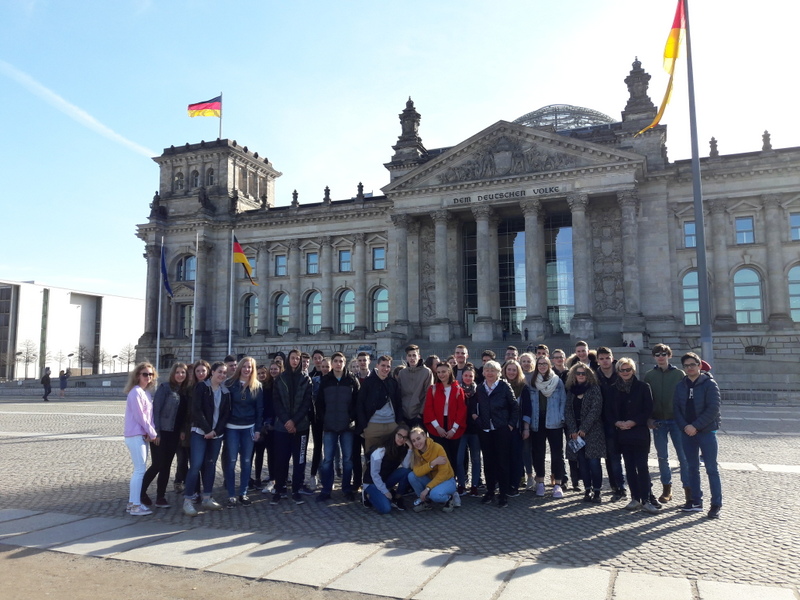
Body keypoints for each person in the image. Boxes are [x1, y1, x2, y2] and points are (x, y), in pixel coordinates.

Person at [604, 358, 658, 514]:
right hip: (622, 433)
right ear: (618, 372)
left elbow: (648, 409)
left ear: (633, 370)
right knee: (629, 467)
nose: (625, 372)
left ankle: (646, 499)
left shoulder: (643, 387)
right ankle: (635, 498)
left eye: (628, 369)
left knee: (642, 466)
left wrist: (634, 422)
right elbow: (608, 411)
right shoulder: (613, 389)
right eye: (622, 370)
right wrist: (617, 422)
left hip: (639, 431)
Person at [674, 352, 722, 519]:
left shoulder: (710, 384)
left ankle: (716, 504)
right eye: (686, 365)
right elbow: (676, 409)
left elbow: (713, 408)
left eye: (693, 364)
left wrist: (695, 426)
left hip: (706, 432)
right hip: (687, 432)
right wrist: (685, 426)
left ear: (699, 366)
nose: (690, 368)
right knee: (691, 467)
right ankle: (696, 501)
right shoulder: (680, 385)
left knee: (711, 469)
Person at [182, 362, 231, 516]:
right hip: (200, 432)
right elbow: (196, 410)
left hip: (216, 435)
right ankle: (188, 500)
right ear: (212, 372)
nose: (222, 375)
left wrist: (215, 432)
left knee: (210, 464)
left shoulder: (225, 392)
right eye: (219, 372)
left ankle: (207, 497)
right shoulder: (201, 387)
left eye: (224, 373)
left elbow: (225, 415)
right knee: (196, 465)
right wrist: (208, 430)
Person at [470, 360, 519, 508]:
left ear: (498, 373)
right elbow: (474, 407)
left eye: (493, 370)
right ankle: (490, 491)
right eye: (487, 370)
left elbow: (514, 407)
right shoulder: (480, 388)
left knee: (502, 462)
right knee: (488, 461)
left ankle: (503, 493)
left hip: (501, 429)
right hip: (485, 430)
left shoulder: (504, 387)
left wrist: (510, 424)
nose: (490, 373)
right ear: (483, 373)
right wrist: (477, 420)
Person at [643, 344, 688, 505]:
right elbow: (646, 400)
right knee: (662, 457)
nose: (660, 357)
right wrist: (648, 418)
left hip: (677, 421)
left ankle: (688, 490)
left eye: (663, 354)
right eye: (657, 354)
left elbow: (685, 398)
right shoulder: (649, 375)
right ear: (653, 357)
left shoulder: (679, 374)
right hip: (658, 422)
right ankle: (666, 489)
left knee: (683, 457)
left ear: (669, 355)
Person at [141, 362, 189, 508]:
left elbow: (183, 415)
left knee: (166, 466)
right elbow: (156, 411)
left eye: (183, 372)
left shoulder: (185, 391)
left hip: (174, 434)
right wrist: (156, 433)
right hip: (162, 432)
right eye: (178, 372)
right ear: (173, 374)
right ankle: (140, 492)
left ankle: (160, 497)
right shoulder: (165, 388)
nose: (180, 375)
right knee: (157, 464)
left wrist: (182, 431)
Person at [271, 349, 313, 506]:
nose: (295, 361)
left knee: (299, 460)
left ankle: (296, 489)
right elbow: (276, 402)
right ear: (288, 360)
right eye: (292, 358)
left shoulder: (306, 380)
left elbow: (306, 403)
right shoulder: (280, 379)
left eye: (297, 358)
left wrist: (294, 421)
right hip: (282, 426)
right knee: (281, 459)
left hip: (301, 427)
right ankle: (279, 488)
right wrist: (287, 421)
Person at [316, 352, 360, 502]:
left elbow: (357, 402)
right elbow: (319, 403)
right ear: (332, 363)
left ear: (344, 363)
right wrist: (324, 418)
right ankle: (326, 490)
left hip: (347, 426)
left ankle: (346, 489)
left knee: (347, 460)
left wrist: (351, 418)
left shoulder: (351, 380)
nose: (338, 364)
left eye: (341, 361)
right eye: (335, 361)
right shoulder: (325, 380)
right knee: (328, 460)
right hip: (329, 426)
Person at [224, 357, 263, 508]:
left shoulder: (257, 386)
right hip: (232, 427)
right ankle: (231, 495)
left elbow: (259, 409)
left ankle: (243, 493)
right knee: (231, 461)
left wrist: (258, 429)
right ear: (240, 367)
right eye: (245, 366)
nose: (247, 369)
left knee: (246, 461)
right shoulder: (229, 384)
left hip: (249, 427)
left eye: (250, 367)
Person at [422, 362, 466, 495]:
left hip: (453, 427)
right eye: (439, 372)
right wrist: (438, 427)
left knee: (452, 458)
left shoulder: (457, 389)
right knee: (441, 457)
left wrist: (454, 429)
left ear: (449, 372)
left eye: (444, 372)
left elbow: (461, 410)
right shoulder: (433, 389)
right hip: (437, 427)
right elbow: (428, 409)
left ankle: (452, 486)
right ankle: (439, 484)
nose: (441, 375)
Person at [564, 363, 605, 503]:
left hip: (593, 431)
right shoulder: (571, 391)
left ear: (588, 375)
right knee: (582, 463)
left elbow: (596, 409)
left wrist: (584, 428)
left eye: (583, 373)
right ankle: (587, 490)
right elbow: (567, 411)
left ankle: (597, 491)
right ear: (574, 375)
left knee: (594, 462)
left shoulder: (594, 389)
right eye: (578, 373)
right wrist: (573, 430)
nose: (581, 375)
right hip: (576, 432)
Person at [123, 362, 159, 516]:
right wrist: (153, 433)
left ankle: (133, 503)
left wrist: (150, 432)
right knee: (139, 470)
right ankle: (135, 505)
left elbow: (149, 417)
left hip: (141, 435)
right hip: (135, 435)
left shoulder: (145, 393)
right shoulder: (136, 392)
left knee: (139, 470)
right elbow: (140, 417)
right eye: (145, 374)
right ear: (138, 375)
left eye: (151, 374)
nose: (148, 377)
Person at [530, 356, 567, 499]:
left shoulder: (557, 381)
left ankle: (557, 484)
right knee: (538, 453)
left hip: (554, 419)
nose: (542, 366)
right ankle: (540, 482)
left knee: (557, 453)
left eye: (545, 363)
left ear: (549, 364)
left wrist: (561, 417)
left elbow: (563, 400)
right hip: (537, 420)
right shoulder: (533, 381)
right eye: (540, 364)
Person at [362, 425, 413, 513]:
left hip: (385, 479)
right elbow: (374, 474)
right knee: (386, 509)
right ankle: (368, 495)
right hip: (371, 482)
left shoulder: (402, 448)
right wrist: (385, 491)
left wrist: (410, 449)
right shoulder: (381, 450)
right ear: (394, 434)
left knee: (406, 471)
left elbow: (405, 466)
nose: (401, 439)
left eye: (405, 437)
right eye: (399, 435)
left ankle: (397, 497)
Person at [408, 427, 458, 512]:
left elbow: (443, 474)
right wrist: (432, 463)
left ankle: (450, 498)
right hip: (432, 480)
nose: (417, 443)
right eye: (413, 441)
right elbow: (417, 472)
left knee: (435, 495)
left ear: (424, 436)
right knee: (412, 476)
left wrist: (428, 488)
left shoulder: (437, 448)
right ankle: (425, 501)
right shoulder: (415, 452)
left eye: (418, 438)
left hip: (447, 480)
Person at [501, 359, 531, 497]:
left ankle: (514, 484)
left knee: (516, 457)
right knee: (503, 456)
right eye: (509, 369)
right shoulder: (499, 385)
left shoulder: (523, 387)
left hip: (517, 428)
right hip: (501, 427)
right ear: (505, 371)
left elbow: (527, 409)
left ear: (518, 372)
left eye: (514, 370)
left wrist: (526, 428)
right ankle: (504, 483)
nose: (511, 372)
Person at [455, 365, 482, 496]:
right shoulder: (457, 390)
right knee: (459, 459)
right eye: (465, 375)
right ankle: (461, 484)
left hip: (474, 430)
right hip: (461, 429)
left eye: (470, 376)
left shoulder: (479, 391)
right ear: (462, 376)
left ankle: (475, 485)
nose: (468, 378)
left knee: (476, 459)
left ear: (474, 377)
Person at [259, 361, 282, 494]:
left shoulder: (282, 383)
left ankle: (280, 479)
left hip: (280, 423)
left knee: (280, 453)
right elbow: (266, 406)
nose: (273, 371)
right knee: (271, 453)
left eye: (275, 369)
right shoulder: (267, 386)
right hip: (269, 424)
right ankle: (272, 479)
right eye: (271, 369)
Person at [396, 345, 433, 428]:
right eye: (409, 355)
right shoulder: (402, 373)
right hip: (404, 415)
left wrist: (421, 414)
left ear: (419, 357)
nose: (412, 358)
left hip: (419, 415)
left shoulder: (426, 372)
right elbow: (399, 394)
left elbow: (428, 394)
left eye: (414, 355)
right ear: (406, 357)